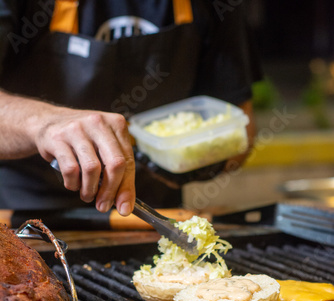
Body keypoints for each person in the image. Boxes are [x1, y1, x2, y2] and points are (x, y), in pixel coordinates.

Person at [0, 0, 262, 214]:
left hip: (149, 217)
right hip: (27, 215)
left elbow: (243, 132)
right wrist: (43, 124)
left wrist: (195, 158)